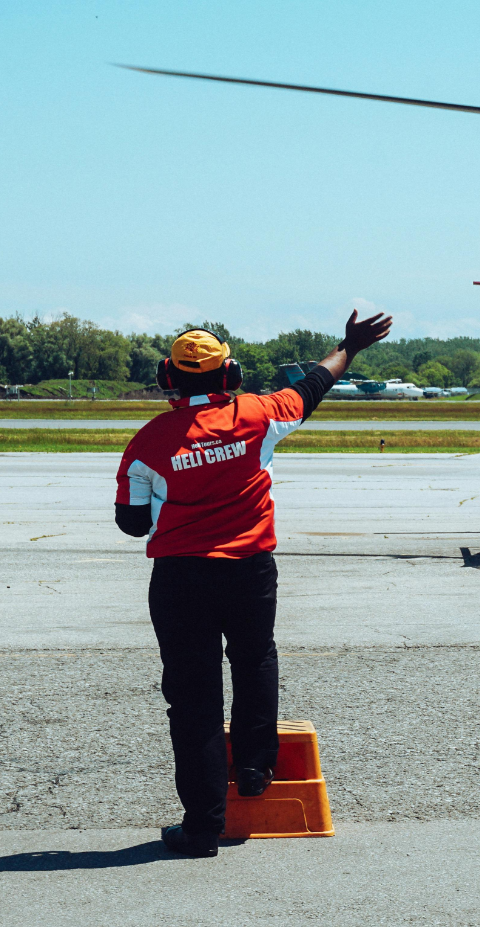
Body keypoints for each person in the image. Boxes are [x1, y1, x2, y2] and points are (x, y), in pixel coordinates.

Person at [115, 312, 391, 858]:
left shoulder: (146, 443)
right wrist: (349, 346)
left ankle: (201, 828)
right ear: (231, 374)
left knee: (192, 697)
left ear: (169, 378)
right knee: (254, 657)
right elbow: (313, 384)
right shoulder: (259, 414)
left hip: (181, 576)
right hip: (249, 567)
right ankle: (255, 765)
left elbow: (133, 522)